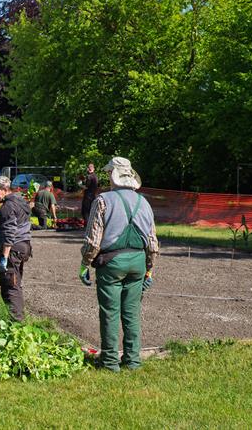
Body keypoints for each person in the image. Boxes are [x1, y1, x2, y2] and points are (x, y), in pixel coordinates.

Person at [79, 157, 159, 372]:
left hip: (111, 263)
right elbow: (152, 242)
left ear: (112, 175)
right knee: (132, 313)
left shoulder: (103, 200)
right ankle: (132, 360)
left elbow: (93, 240)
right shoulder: (144, 202)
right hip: (138, 262)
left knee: (110, 313)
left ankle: (110, 362)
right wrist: (149, 269)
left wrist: (85, 264)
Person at [0, 175, 32, 321]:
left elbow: (9, 232)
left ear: (4, 189)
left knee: (10, 286)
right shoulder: (20, 201)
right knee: (15, 283)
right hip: (24, 245)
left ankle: (16, 323)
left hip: (13, 249)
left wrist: (4, 256)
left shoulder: (7, 207)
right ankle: (18, 319)